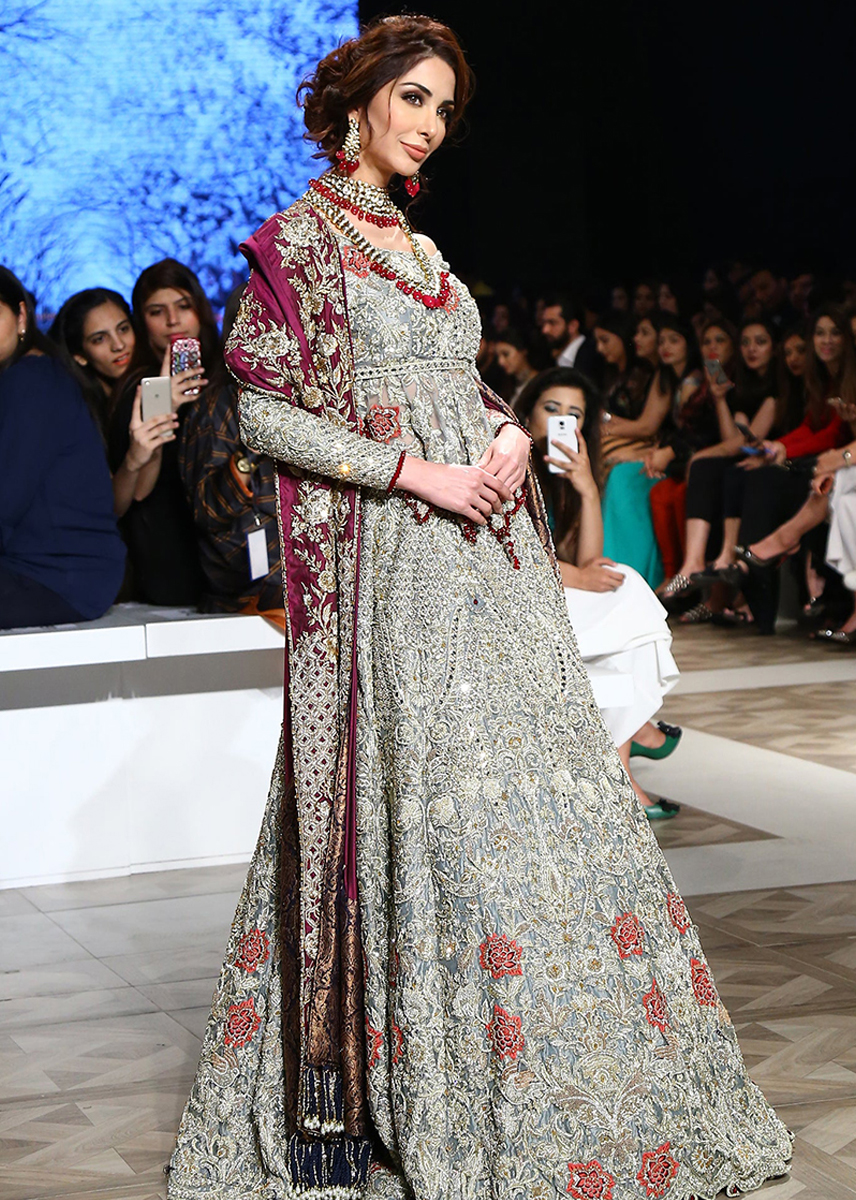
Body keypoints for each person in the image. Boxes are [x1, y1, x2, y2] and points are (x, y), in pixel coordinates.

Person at [167, 17, 792, 1199]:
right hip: (398, 566)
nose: (429, 124)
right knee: (436, 814)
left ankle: (573, 1079)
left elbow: (452, 378)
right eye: (412, 98)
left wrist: (503, 433)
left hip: (491, 563)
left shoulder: (419, 245)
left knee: (539, 807)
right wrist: (419, 474)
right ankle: (440, 1082)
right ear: (358, 99)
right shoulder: (298, 243)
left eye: (444, 108)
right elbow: (262, 415)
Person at [515, 366, 681, 820]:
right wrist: (576, 576)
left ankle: (625, 767)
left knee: (621, 588)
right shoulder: (509, 466)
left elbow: (589, 561)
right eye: (551, 409)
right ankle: (636, 739)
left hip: (554, 590)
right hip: (518, 599)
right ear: (527, 415)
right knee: (627, 610)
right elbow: (508, 557)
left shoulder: (567, 474)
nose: (562, 421)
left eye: (574, 414)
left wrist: (587, 489)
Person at [0, 267, 125, 628]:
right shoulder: (40, 372)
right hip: (59, 572)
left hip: (58, 577)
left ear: (21, 316)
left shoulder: (30, 380)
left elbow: (6, 498)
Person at [108, 258, 218, 605]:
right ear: (142, 320)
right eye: (157, 311)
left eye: (183, 306)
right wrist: (162, 404)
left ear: (200, 308)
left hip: (227, 556)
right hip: (169, 561)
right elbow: (141, 492)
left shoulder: (227, 373)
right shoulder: (142, 385)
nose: (173, 320)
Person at [177, 285, 282, 616]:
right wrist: (249, 454)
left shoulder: (307, 397)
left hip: (303, 585)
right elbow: (209, 510)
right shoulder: (219, 405)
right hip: (251, 598)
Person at [660, 318, 781, 605]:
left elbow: (748, 442)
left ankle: (724, 564)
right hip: (745, 456)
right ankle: (693, 562)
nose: (752, 349)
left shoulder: (777, 387)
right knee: (706, 470)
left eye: (760, 342)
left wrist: (701, 454)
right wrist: (720, 399)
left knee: (716, 470)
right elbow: (733, 440)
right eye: (746, 343)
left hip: (770, 458)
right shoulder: (740, 385)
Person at [599, 314, 703, 587]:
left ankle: (635, 573)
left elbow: (655, 428)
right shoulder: (665, 375)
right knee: (620, 474)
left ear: (689, 343)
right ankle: (618, 567)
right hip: (667, 451)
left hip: (681, 456)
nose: (665, 346)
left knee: (623, 476)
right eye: (663, 341)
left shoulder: (696, 380)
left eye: (674, 341)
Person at [647, 319, 737, 589]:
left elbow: (721, 437)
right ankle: (673, 573)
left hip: (716, 458)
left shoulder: (732, 382)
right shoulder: (704, 382)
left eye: (720, 340)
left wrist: (673, 451)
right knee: (660, 493)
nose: (712, 347)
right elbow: (686, 427)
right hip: (695, 457)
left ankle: (693, 577)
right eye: (707, 341)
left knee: (679, 492)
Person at [49, 287, 136, 436]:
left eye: (123, 329)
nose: (119, 345)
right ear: (79, 357)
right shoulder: (77, 415)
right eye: (100, 339)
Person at [539, 292, 601, 380]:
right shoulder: (549, 358)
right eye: (544, 323)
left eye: (552, 323)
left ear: (573, 326)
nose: (545, 330)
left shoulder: (592, 357)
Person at [493, 326, 537, 405]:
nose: (500, 362)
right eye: (497, 357)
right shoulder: (508, 386)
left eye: (506, 354)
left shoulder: (538, 382)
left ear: (522, 351)